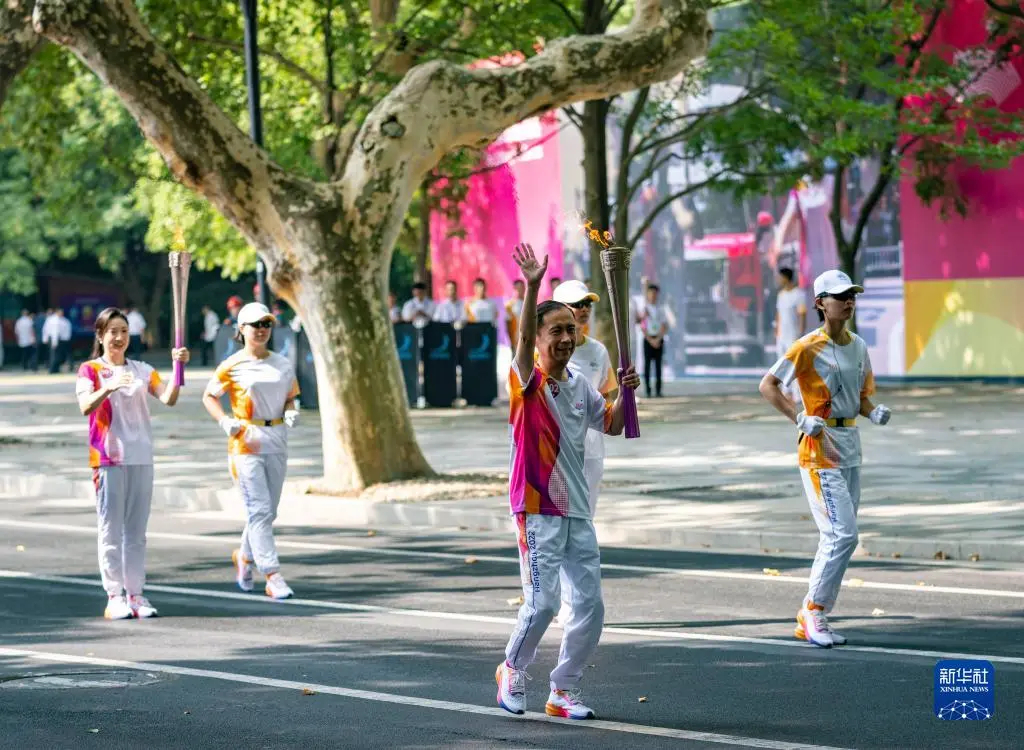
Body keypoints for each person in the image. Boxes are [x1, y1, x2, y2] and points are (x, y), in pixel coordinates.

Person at [495, 243, 640, 720]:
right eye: (555, 330)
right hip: (536, 507)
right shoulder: (525, 379)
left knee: (591, 606)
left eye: (571, 330)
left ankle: (564, 689)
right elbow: (518, 343)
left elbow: (613, 426)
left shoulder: (579, 382)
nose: (565, 337)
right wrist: (534, 285)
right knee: (543, 603)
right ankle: (512, 668)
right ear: (536, 338)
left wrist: (626, 392)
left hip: (577, 507)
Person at [758, 269, 892, 649]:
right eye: (839, 296)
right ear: (820, 303)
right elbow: (768, 385)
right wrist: (798, 415)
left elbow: (862, 397)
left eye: (851, 295)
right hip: (819, 450)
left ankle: (813, 614)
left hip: (850, 444)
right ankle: (813, 611)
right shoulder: (805, 347)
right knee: (843, 534)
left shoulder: (859, 347)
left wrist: (873, 411)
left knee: (839, 537)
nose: (848, 301)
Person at [75, 307, 190, 619]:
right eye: (112, 331)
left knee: (136, 532)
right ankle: (114, 596)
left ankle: (136, 594)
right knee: (111, 529)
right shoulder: (90, 370)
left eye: (123, 331)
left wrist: (178, 369)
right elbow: (85, 405)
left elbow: (168, 398)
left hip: (141, 455)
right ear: (100, 335)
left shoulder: (142, 369)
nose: (119, 337)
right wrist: (109, 386)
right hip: (108, 457)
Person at [202, 302, 300, 601]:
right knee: (258, 510)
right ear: (241, 329)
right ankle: (272, 574)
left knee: (268, 512)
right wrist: (225, 421)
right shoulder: (232, 365)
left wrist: (291, 411)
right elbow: (209, 395)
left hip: (277, 437)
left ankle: (244, 556)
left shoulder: (282, 363)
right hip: (245, 439)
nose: (261, 330)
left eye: (266, 324)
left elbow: (291, 397)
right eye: (255, 325)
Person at [551, 279, 617, 626]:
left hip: (591, 450)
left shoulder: (598, 352)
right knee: (561, 526)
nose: (584, 310)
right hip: (558, 453)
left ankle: (580, 600)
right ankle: (566, 602)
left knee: (583, 525)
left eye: (587, 304)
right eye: (577, 305)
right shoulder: (546, 351)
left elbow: (606, 400)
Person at [637, 284, 668, 398]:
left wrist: (658, 339)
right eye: (651, 293)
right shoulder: (644, 309)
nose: (653, 296)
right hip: (648, 339)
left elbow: (665, 325)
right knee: (647, 366)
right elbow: (642, 326)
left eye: (655, 293)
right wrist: (650, 340)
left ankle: (658, 390)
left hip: (659, 339)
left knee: (659, 366)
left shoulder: (661, 309)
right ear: (648, 294)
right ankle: (648, 390)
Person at [504, 279, 526, 346]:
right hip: (516, 338)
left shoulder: (529, 303)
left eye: (522, 287)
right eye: (517, 288)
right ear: (514, 289)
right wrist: (511, 338)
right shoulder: (509, 305)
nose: (520, 290)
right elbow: (507, 322)